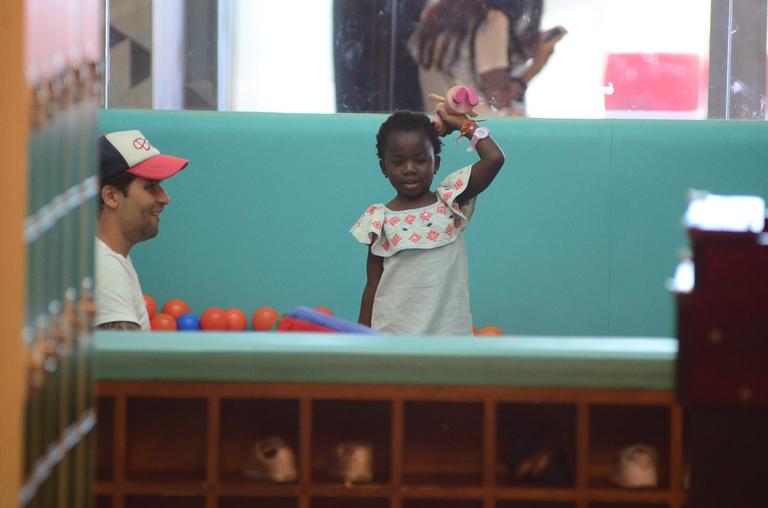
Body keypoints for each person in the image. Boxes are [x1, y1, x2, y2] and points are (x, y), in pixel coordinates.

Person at [350, 108, 504, 335]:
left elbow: (494, 158)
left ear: (436, 163)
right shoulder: (378, 219)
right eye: (398, 162)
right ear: (384, 167)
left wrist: (463, 124)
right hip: (393, 342)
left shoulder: (450, 201)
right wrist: (360, 340)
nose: (410, 169)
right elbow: (373, 287)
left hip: (449, 340)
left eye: (420, 160)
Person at [94, 130, 188, 330]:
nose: (165, 198)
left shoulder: (108, 256)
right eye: (151, 187)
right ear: (111, 196)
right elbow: (122, 360)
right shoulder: (104, 268)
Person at [408, 0, 566, 116]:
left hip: (441, 126)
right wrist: (536, 66)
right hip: (478, 131)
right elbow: (497, 99)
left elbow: (463, 65)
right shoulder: (494, 21)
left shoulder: (439, 13)